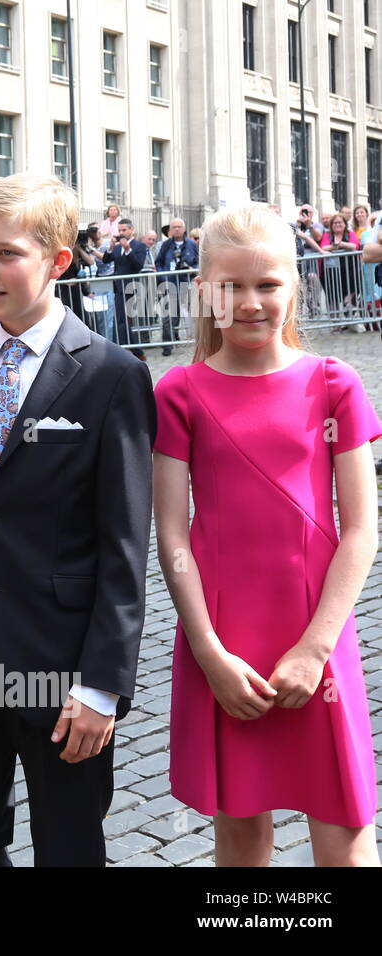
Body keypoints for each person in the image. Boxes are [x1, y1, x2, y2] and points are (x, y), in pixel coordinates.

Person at [0, 173, 155, 866]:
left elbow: (125, 545)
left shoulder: (110, 374)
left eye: (6, 253)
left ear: (58, 262)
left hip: (61, 666)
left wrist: (103, 683)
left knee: (69, 845)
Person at [153, 204, 380, 866]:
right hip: (222, 640)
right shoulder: (180, 393)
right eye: (231, 286)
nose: (250, 303)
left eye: (267, 284)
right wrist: (208, 652)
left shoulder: (333, 385)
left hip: (318, 635)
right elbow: (171, 532)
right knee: (241, 832)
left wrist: (315, 650)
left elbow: (361, 531)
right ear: (205, 292)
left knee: (345, 833)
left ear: (295, 286)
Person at [100, 218, 149, 358]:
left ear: (131, 230)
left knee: (122, 320)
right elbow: (105, 260)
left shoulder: (139, 246)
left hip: (131, 287)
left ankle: (120, 351)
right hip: (118, 287)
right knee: (121, 320)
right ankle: (133, 352)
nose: (121, 232)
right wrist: (110, 247)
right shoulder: (116, 247)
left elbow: (138, 265)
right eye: (119, 230)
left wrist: (128, 249)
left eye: (124, 230)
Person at [154, 218, 199, 355]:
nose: (177, 229)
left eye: (179, 226)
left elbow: (199, 262)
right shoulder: (166, 245)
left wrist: (192, 269)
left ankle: (198, 341)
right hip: (170, 283)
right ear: (170, 230)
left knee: (193, 313)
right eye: (174, 227)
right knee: (169, 314)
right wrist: (164, 277)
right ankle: (167, 344)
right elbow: (159, 263)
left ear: (184, 229)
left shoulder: (192, 244)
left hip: (187, 282)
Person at [319, 213, 360, 313]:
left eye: (340, 222)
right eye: (335, 223)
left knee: (352, 289)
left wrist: (339, 244)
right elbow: (323, 247)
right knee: (332, 297)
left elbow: (354, 246)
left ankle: (350, 320)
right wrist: (340, 246)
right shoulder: (327, 235)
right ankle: (336, 326)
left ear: (345, 224)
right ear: (331, 225)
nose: (337, 224)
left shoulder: (350, 234)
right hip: (330, 271)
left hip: (349, 269)